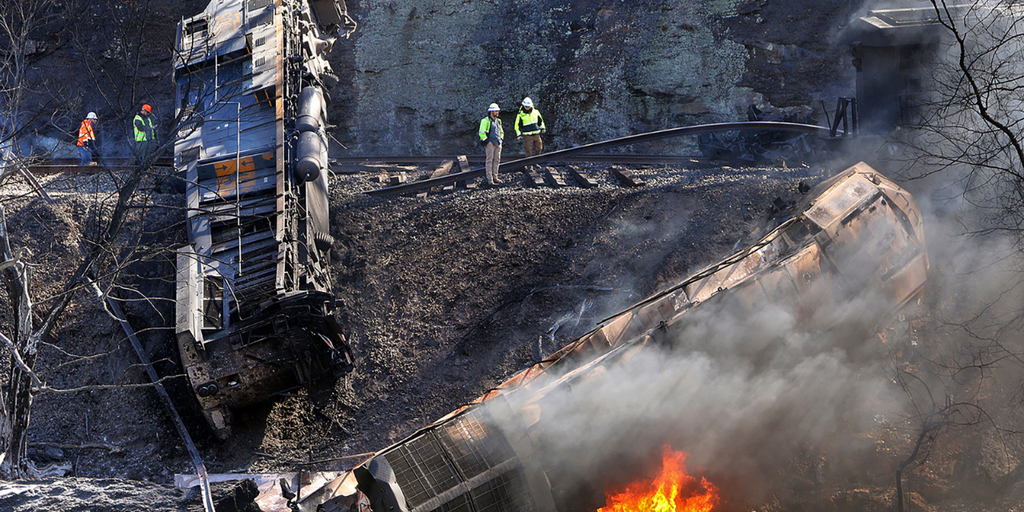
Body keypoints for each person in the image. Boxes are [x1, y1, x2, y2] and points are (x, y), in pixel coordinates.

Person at [478, 103, 503, 186]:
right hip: (491, 143)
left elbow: (501, 131)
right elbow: (481, 132)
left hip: (498, 142)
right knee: (489, 160)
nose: (497, 112)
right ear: (492, 111)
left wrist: (501, 139)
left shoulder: (498, 121)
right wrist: (487, 141)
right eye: (496, 111)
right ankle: (490, 179)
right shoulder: (485, 121)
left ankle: (495, 177)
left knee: (497, 160)